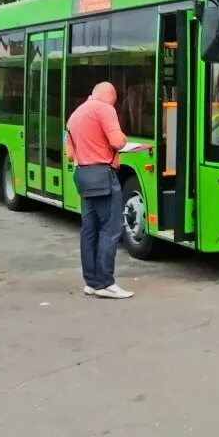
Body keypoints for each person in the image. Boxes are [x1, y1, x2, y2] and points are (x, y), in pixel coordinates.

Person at [64, 81, 144, 300]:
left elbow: (69, 154)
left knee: (89, 230)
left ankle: (91, 282)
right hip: (102, 176)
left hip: (82, 175)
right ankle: (106, 283)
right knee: (110, 230)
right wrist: (124, 141)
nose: (115, 105)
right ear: (110, 95)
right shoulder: (104, 109)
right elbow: (117, 141)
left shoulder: (75, 114)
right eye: (115, 101)